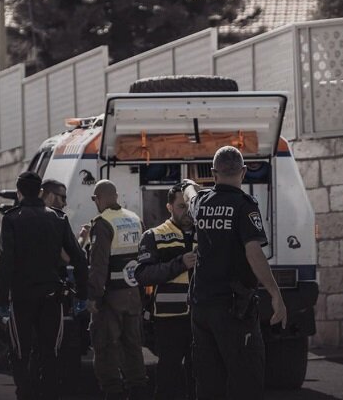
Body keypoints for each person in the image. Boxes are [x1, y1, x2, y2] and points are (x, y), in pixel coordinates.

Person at [182, 146, 287, 400]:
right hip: (233, 311)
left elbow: (189, 195)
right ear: (243, 172)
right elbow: (253, 252)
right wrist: (275, 294)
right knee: (246, 380)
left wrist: (188, 184)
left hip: (202, 309)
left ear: (214, 173)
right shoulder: (244, 206)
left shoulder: (202, 202)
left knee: (208, 384)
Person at [0, 171, 88, 400]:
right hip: (51, 298)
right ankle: (48, 393)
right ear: (39, 192)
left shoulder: (12, 218)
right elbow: (78, 258)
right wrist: (81, 295)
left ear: (18, 193)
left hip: (22, 298)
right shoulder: (58, 218)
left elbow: (5, 262)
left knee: (20, 352)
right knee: (51, 353)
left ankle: (24, 393)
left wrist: (1, 299)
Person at [135, 184, 197, 400]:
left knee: (200, 374)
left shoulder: (207, 234)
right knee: (168, 375)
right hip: (169, 320)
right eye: (181, 206)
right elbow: (142, 274)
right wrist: (179, 264)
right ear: (169, 206)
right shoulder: (154, 236)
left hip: (202, 317)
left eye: (190, 205)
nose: (187, 210)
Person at [87, 179, 147, 400]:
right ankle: (138, 390)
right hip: (133, 296)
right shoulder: (135, 219)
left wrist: (93, 296)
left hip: (111, 297)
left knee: (105, 346)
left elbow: (99, 264)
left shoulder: (102, 223)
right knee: (133, 345)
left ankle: (113, 392)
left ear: (100, 198)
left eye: (94, 199)